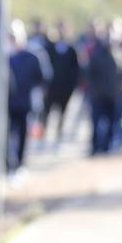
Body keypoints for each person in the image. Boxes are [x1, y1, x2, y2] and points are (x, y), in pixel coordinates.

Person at [6, 21, 52, 172]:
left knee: (23, 133)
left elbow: (44, 77)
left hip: (26, 102)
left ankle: (19, 163)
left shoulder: (33, 55)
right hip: (8, 103)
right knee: (7, 134)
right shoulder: (5, 56)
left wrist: (36, 94)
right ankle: (9, 163)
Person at [84, 23, 122, 156]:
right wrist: (93, 91)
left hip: (114, 95)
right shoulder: (97, 55)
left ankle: (107, 146)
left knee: (112, 122)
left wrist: (119, 91)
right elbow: (89, 73)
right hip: (98, 95)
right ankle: (95, 147)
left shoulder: (120, 54)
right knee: (96, 123)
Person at [43, 20, 81, 150]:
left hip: (65, 88)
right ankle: (43, 138)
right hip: (51, 87)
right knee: (46, 112)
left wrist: (72, 86)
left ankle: (58, 139)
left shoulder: (71, 49)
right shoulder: (49, 47)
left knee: (62, 113)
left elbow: (76, 69)